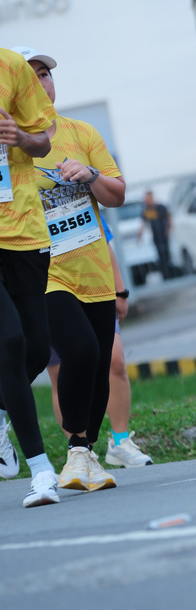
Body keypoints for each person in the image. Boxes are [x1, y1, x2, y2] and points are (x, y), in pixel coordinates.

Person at [15, 47, 127, 490]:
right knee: (79, 351)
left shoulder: (82, 133)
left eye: (44, 74)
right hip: (43, 271)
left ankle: (83, 451)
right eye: (30, 76)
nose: (41, 83)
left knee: (98, 362)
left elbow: (117, 194)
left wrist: (90, 175)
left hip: (92, 267)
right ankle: (72, 447)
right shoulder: (11, 146)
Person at [0, 47, 60, 508]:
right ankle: (41, 470)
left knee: (37, 347)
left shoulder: (10, 65)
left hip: (22, 228)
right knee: (10, 340)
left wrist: (18, 135)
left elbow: (43, 142)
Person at [46, 228, 153, 467]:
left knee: (113, 360)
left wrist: (120, 290)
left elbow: (102, 235)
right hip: (50, 287)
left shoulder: (82, 200)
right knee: (62, 370)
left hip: (93, 283)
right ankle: (79, 451)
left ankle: (119, 442)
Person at [140, 190, 173, 279]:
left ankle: (170, 275)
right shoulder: (147, 210)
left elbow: (169, 219)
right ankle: (165, 275)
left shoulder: (161, 207)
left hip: (164, 236)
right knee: (160, 257)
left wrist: (168, 230)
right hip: (156, 237)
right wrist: (139, 236)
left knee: (167, 255)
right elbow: (143, 223)